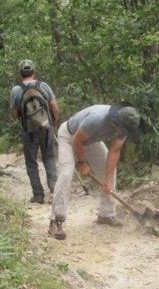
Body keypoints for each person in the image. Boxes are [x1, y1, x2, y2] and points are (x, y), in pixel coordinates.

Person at [49, 103, 142, 240]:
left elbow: (114, 151)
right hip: (70, 137)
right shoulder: (97, 119)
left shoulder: (125, 127)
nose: (125, 133)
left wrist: (108, 182)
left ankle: (106, 214)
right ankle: (56, 220)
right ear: (117, 123)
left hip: (90, 141)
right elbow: (77, 140)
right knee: (67, 173)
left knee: (109, 170)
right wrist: (82, 163)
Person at [10, 59, 60, 204]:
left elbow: (14, 115)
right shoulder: (43, 86)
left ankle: (38, 195)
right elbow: (55, 108)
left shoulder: (16, 90)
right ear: (34, 71)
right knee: (49, 158)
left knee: (31, 163)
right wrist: (54, 123)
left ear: (20, 73)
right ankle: (55, 189)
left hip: (29, 132)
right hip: (46, 128)